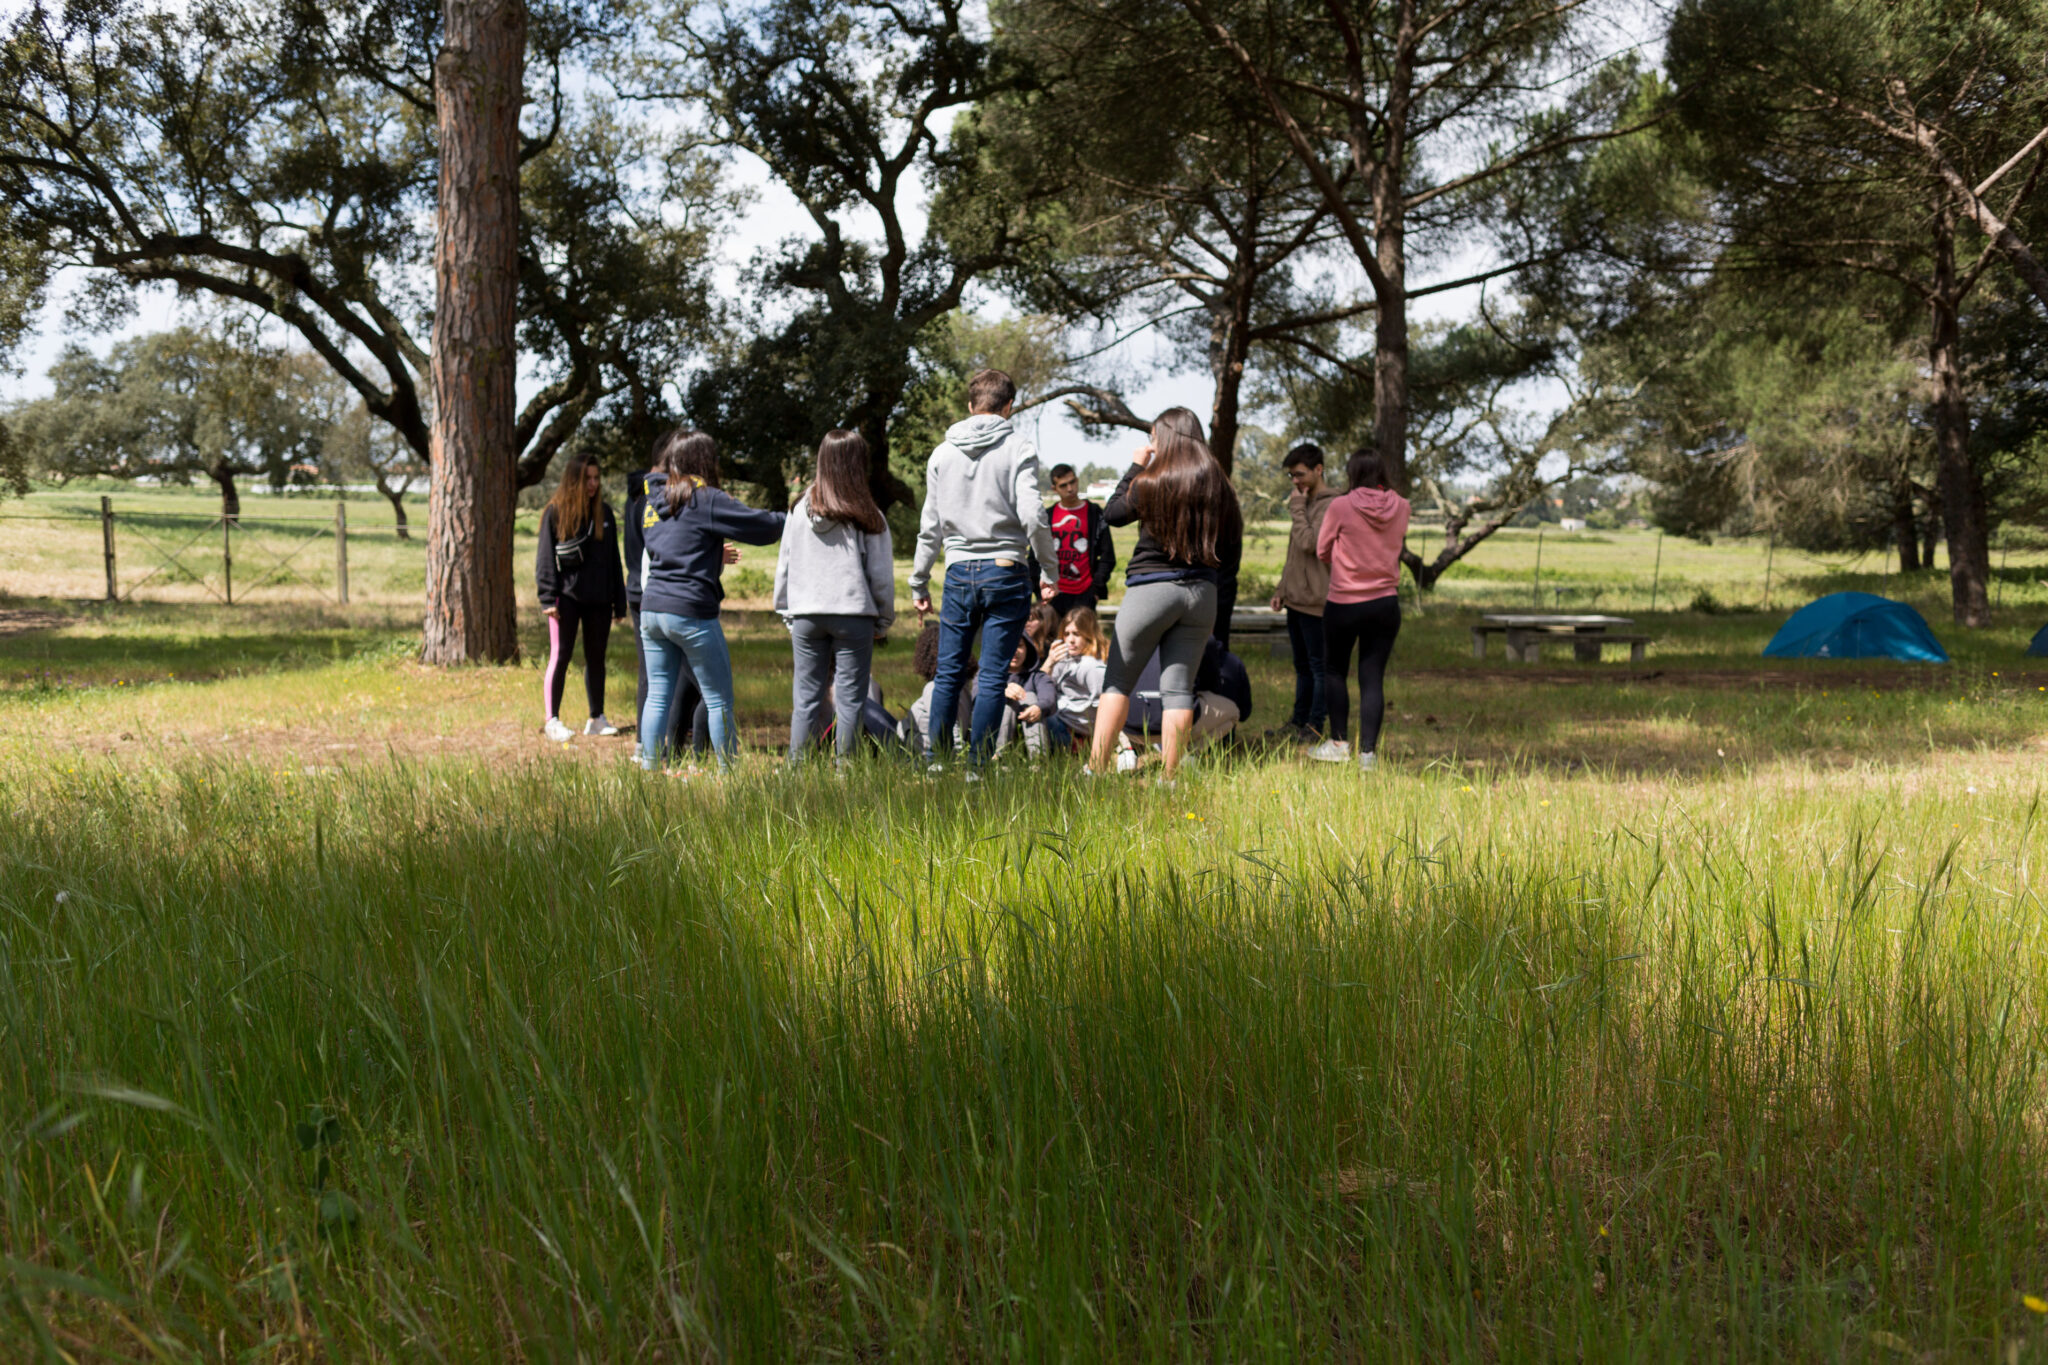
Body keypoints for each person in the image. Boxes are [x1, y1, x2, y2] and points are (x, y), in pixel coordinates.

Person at [908, 368, 1060, 771]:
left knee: (949, 671)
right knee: (993, 674)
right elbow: (1033, 514)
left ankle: (937, 763)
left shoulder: (942, 452)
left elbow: (930, 525)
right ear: (1008, 407)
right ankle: (978, 767)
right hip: (1007, 569)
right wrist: (1049, 569)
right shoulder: (1018, 446)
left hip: (958, 571)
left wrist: (918, 580)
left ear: (970, 405)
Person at [1088, 408, 1242, 781]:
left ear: (1165, 439)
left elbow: (1112, 514)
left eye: (1155, 437)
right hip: (1201, 593)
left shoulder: (1151, 481)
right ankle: (1169, 778)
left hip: (1151, 589)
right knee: (1178, 690)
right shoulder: (1218, 484)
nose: (1151, 444)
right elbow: (1232, 541)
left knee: (1118, 682)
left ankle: (1096, 769)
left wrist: (1134, 467)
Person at [637, 429, 787, 772]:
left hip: (652, 610)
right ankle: (728, 774)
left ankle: (648, 772)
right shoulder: (704, 498)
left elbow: (678, 544)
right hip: (690, 611)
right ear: (704, 461)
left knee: (657, 695)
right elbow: (760, 526)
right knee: (719, 699)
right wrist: (793, 517)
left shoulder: (652, 503)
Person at [776, 429, 896, 764]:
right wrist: (883, 620)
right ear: (860, 464)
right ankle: (845, 767)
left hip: (806, 615)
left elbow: (784, 564)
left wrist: (787, 610)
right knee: (850, 697)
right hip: (853, 614)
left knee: (806, 696)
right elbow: (882, 577)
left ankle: (796, 767)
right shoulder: (869, 516)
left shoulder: (798, 510)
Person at [1311, 447, 1410, 771]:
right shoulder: (1402, 506)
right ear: (1381, 472)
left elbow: (1322, 549)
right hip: (1385, 603)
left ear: (1353, 473)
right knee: (1372, 678)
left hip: (1344, 602)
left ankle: (1339, 743)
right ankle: (1368, 755)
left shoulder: (1341, 505)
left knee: (1335, 671)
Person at [626, 466, 718, 758]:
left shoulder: (652, 510)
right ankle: (706, 758)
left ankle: (658, 758)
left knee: (667, 689)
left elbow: (646, 567)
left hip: (653, 607)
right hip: (682, 610)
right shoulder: (668, 510)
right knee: (711, 691)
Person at [536, 451, 628, 742]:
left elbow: (614, 560)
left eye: (596, 478)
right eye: (587, 478)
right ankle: (552, 720)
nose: (592, 484)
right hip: (566, 599)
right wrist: (548, 599)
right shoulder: (555, 512)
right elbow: (545, 558)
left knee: (596, 658)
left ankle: (596, 718)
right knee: (560, 656)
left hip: (599, 599)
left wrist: (619, 599)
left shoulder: (606, 514)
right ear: (573, 480)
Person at [1270, 442, 1337, 740]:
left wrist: (1297, 509)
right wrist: (1281, 588)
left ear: (1318, 469)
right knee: (1301, 667)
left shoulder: (1332, 505)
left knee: (1318, 668)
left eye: (1299, 475)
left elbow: (1312, 544)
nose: (1295, 482)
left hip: (1317, 602)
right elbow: (1294, 552)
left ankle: (1314, 726)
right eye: (1291, 477)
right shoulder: (1305, 503)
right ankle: (1297, 722)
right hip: (1295, 600)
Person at [1029, 463, 1117, 621]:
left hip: (1084, 594)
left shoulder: (1095, 514)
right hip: (1052, 595)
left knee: (1082, 643)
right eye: (1063, 485)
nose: (1070, 489)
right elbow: (1034, 556)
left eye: (1072, 482)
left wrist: (1095, 590)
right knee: (1050, 643)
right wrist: (1038, 590)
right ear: (1054, 488)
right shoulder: (1047, 517)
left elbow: (1107, 555)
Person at [1046, 605, 1108, 751]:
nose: (1070, 640)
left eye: (1077, 634)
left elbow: (1105, 706)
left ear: (1089, 635)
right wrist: (1049, 662)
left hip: (1075, 728)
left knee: (1039, 715)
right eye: (1066, 634)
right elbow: (1042, 687)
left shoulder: (1092, 666)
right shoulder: (1066, 658)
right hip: (1062, 718)